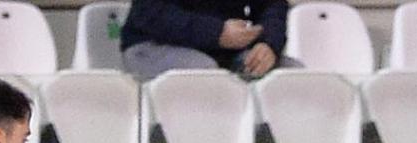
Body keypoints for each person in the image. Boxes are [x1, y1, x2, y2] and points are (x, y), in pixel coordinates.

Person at [120, 0, 299, 81]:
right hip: (151, 44)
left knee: (292, 73)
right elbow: (148, 12)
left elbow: (272, 5)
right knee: (205, 74)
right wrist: (215, 32)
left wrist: (268, 44)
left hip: (223, 50)